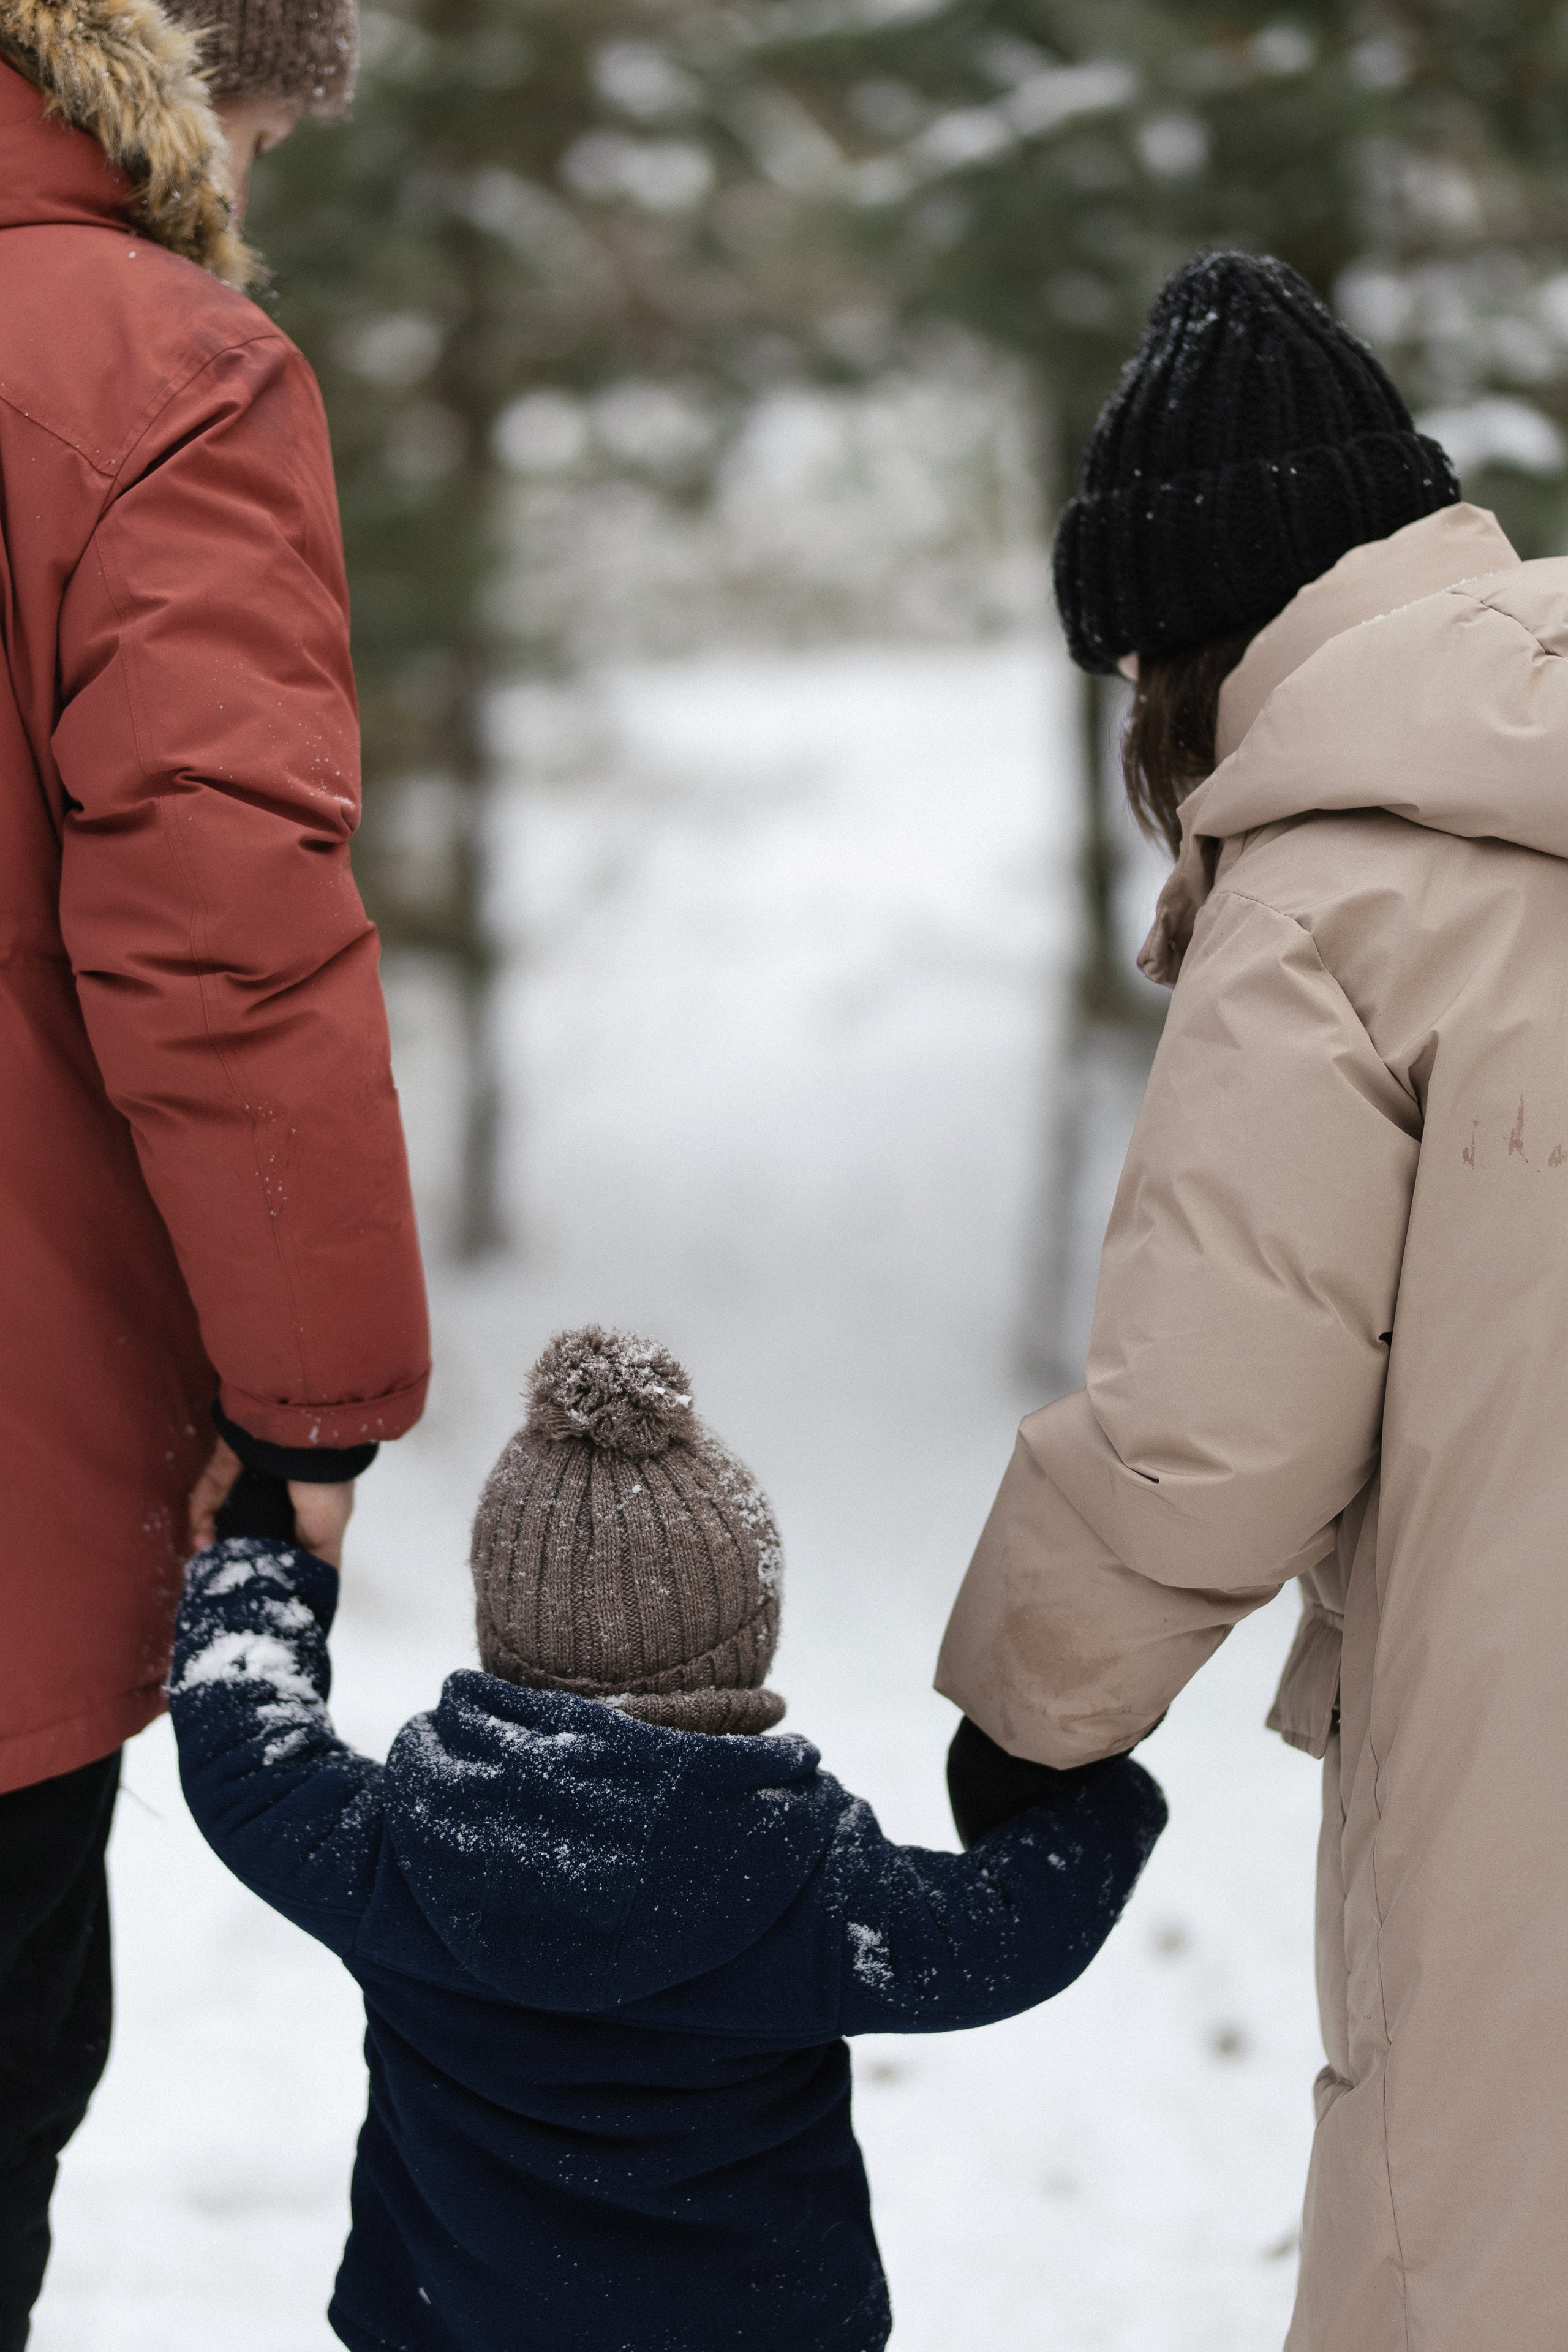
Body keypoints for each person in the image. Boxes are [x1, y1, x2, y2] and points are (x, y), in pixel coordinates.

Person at [936, 244, 1568, 2350]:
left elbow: (1213, 1422)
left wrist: (1034, 1717)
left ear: (1184, 654)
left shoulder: (1329, 887)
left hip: (1531, 1735)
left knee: (1486, 2240)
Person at [168, 1325, 1166, 2352]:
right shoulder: (809, 1891)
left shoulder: (394, 1857)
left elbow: (248, 1755)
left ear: (502, 1621)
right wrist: (1088, 1801)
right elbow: (1007, 1932)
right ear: (747, 1636)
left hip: (448, 2325)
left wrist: (259, 1556)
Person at [0, 0, 428, 2340]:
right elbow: (223, 935)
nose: (244, 193)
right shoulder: (149, 365)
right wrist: (306, 1416)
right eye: (254, 127)